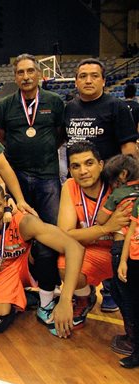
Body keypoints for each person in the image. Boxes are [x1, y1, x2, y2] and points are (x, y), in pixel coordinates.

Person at [0, 53, 65, 318]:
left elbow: (60, 135)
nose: (25, 76)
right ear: (15, 77)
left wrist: (42, 151)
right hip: (17, 177)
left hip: (47, 176)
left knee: (52, 232)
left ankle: (51, 288)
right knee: (18, 232)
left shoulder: (55, 102)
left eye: (30, 71)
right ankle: (23, 283)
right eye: (20, 72)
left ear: (39, 74)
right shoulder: (5, 106)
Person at [0, 182, 85, 337]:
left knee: (45, 247)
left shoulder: (24, 222)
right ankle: (29, 298)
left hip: (25, 266)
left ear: (6, 204)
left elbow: (74, 248)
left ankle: (46, 304)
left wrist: (66, 300)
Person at [57, 141, 131, 329]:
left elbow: (125, 232)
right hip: (89, 249)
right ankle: (83, 297)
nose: (83, 171)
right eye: (76, 166)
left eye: (89, 163)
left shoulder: (117, 186)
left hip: (119, 251)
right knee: (62, 264)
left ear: (101, 165)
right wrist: (105, 228)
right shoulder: (70, 186)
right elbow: (65, 235)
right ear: (70, 170)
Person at [96, 154, 139, 355]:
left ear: (123, 175)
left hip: (122, 248)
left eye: (112, 180)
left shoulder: (120, 193)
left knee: (122, 293)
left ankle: (132, 339)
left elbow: (100, 219)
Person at [64, 58, 138, 161]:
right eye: (83, 76)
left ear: (103, 81)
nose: (88, 81)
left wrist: (129, 175)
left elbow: (129, 149)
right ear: (76, 82)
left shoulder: (117, 106)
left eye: (95, 76)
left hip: (109, 175)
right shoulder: (69, 107)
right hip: (77, 174)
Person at [117, 197, 139, 368]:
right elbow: (131, 232)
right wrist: (123, 261)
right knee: (135, 310)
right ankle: (137, 353)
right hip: (133, 262)